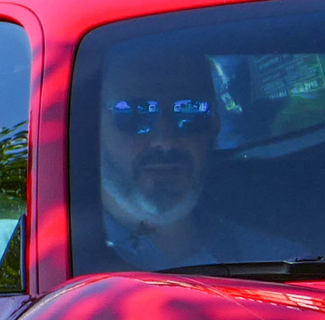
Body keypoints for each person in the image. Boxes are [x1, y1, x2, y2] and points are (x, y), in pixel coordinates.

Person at [96, 46, 298, 269]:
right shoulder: (61, 269)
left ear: (214, 126)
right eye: (133, 114)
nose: (166, 141)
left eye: (190, 112)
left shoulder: (280, 265)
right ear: (92, 128)